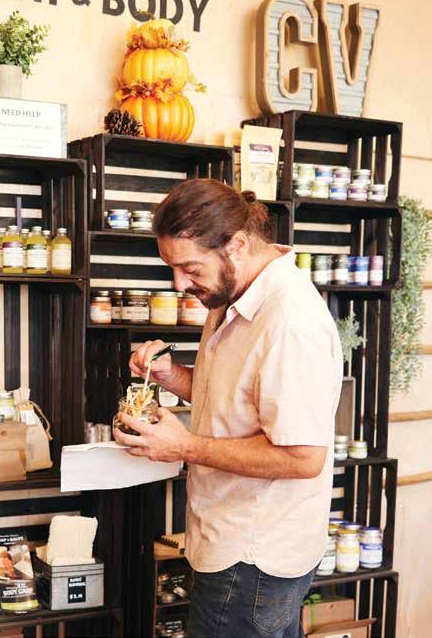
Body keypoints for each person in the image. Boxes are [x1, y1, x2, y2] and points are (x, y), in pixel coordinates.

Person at [113, 178, 343, 638]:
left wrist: (183, 447)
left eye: (190, 268)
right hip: (230, 543)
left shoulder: (290, 323)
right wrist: (171, 376)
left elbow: (302, 457)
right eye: (173, 268)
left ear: (236, 244)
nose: (180, 284)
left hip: (253, 559)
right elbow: (233, 397)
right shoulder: (233, 293)